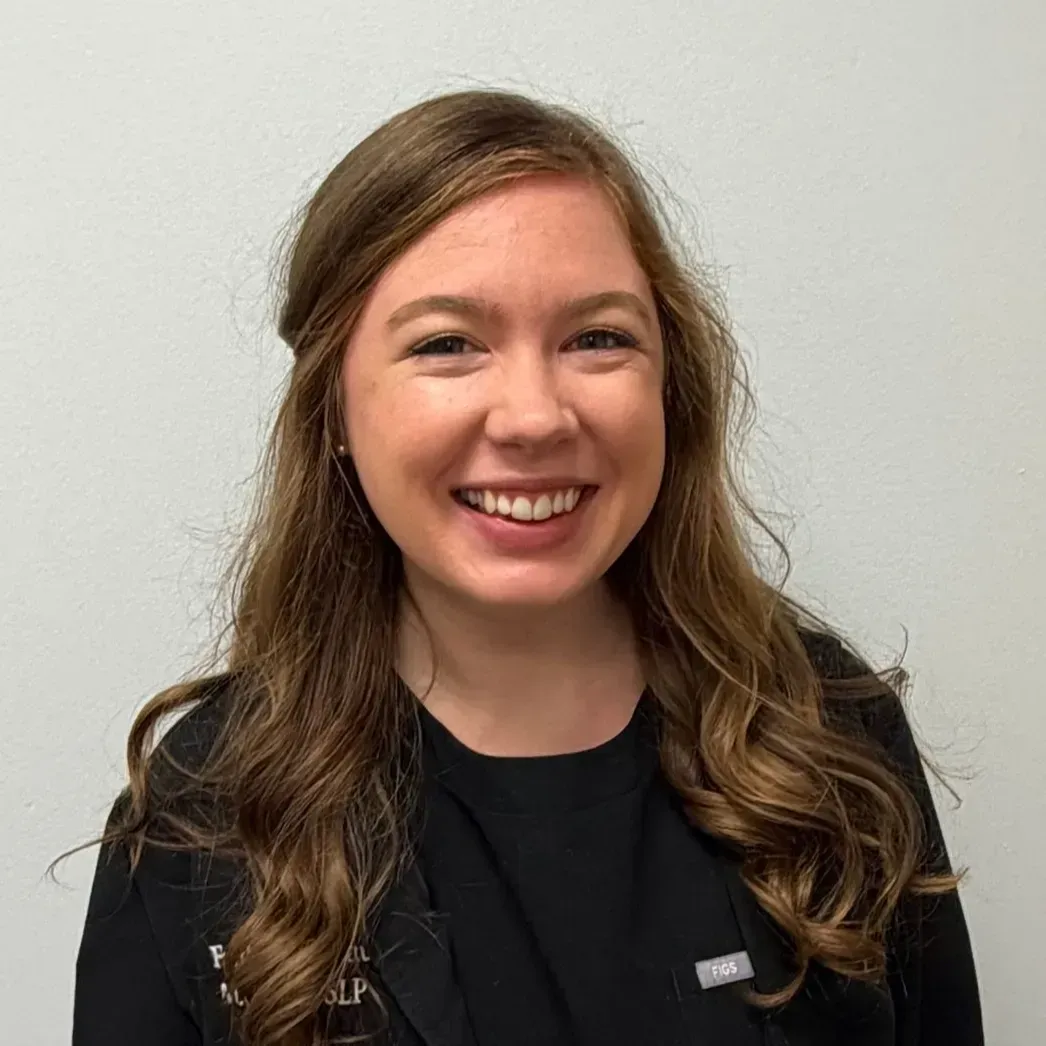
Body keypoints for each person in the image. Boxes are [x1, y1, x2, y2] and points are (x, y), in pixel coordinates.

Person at [70, 88, 983, 1046]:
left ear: (671, 384)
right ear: (334, 409)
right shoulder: (208, 811)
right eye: (447, 344)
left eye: (598, 338)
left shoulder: (827, 736)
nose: (536, 416)